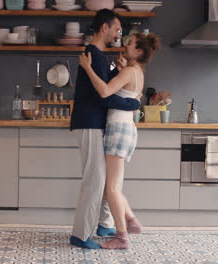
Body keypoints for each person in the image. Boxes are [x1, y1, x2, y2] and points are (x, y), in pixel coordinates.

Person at [79, 32, 160, 249]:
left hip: (118, 129)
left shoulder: (130, 72)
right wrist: (120, 69)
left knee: (111, 188)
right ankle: (131, 221)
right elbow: (123, 93)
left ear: (139, 51)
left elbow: (105, 92)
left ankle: (122, 236)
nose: (126, 44)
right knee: (111, 186)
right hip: (126, 129)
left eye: (131, 43)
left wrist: (88, 68)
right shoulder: (136, 72)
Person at [69, 9, 141, 249]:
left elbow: (106, 85)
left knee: (101, 180)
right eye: (117, 29)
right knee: (94, 180)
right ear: (104, 28)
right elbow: (104, 96)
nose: (118, 34)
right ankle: (80, 235)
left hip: (95, 124)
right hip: (89, 122)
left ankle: (103, 224)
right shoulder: (93, 54)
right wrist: (133, 103)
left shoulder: (99, 56)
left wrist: (116, 72)